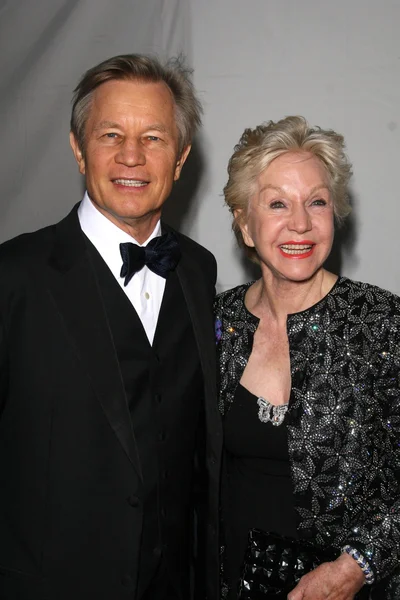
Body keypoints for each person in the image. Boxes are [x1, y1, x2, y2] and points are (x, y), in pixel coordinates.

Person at [0, 54, 222, 600]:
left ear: (181, 158)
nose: (131, 155)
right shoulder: (13, 276)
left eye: (153, 137)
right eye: (110, 134)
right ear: (78, 149)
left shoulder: (198, 269)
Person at [214, 116, 400, 600]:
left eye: (316, 202)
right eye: (277, 203)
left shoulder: (382, 322)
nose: (300, 223)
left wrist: (356, 567)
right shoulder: (213, 321)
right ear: (244, 224)